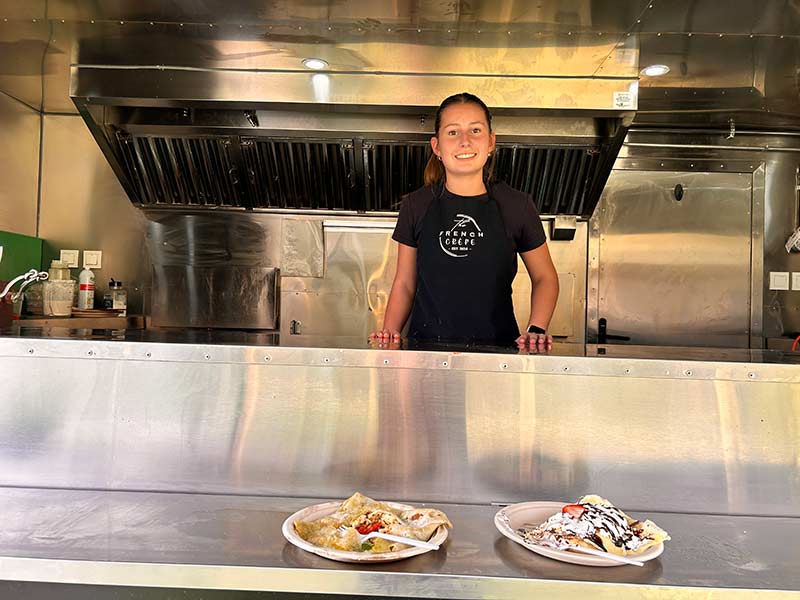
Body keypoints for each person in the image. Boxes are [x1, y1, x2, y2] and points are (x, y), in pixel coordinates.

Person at [370, 92, 559, 349]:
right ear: (436, 146)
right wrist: (390, 332)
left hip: (498, 354)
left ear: (491, 142)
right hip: (425, 352)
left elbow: (545, 276)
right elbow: (404, 282)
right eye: (452, 132)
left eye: (476, 130)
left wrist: (536, 327)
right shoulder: (417, 205)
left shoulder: (517, 205)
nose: (465, 141)